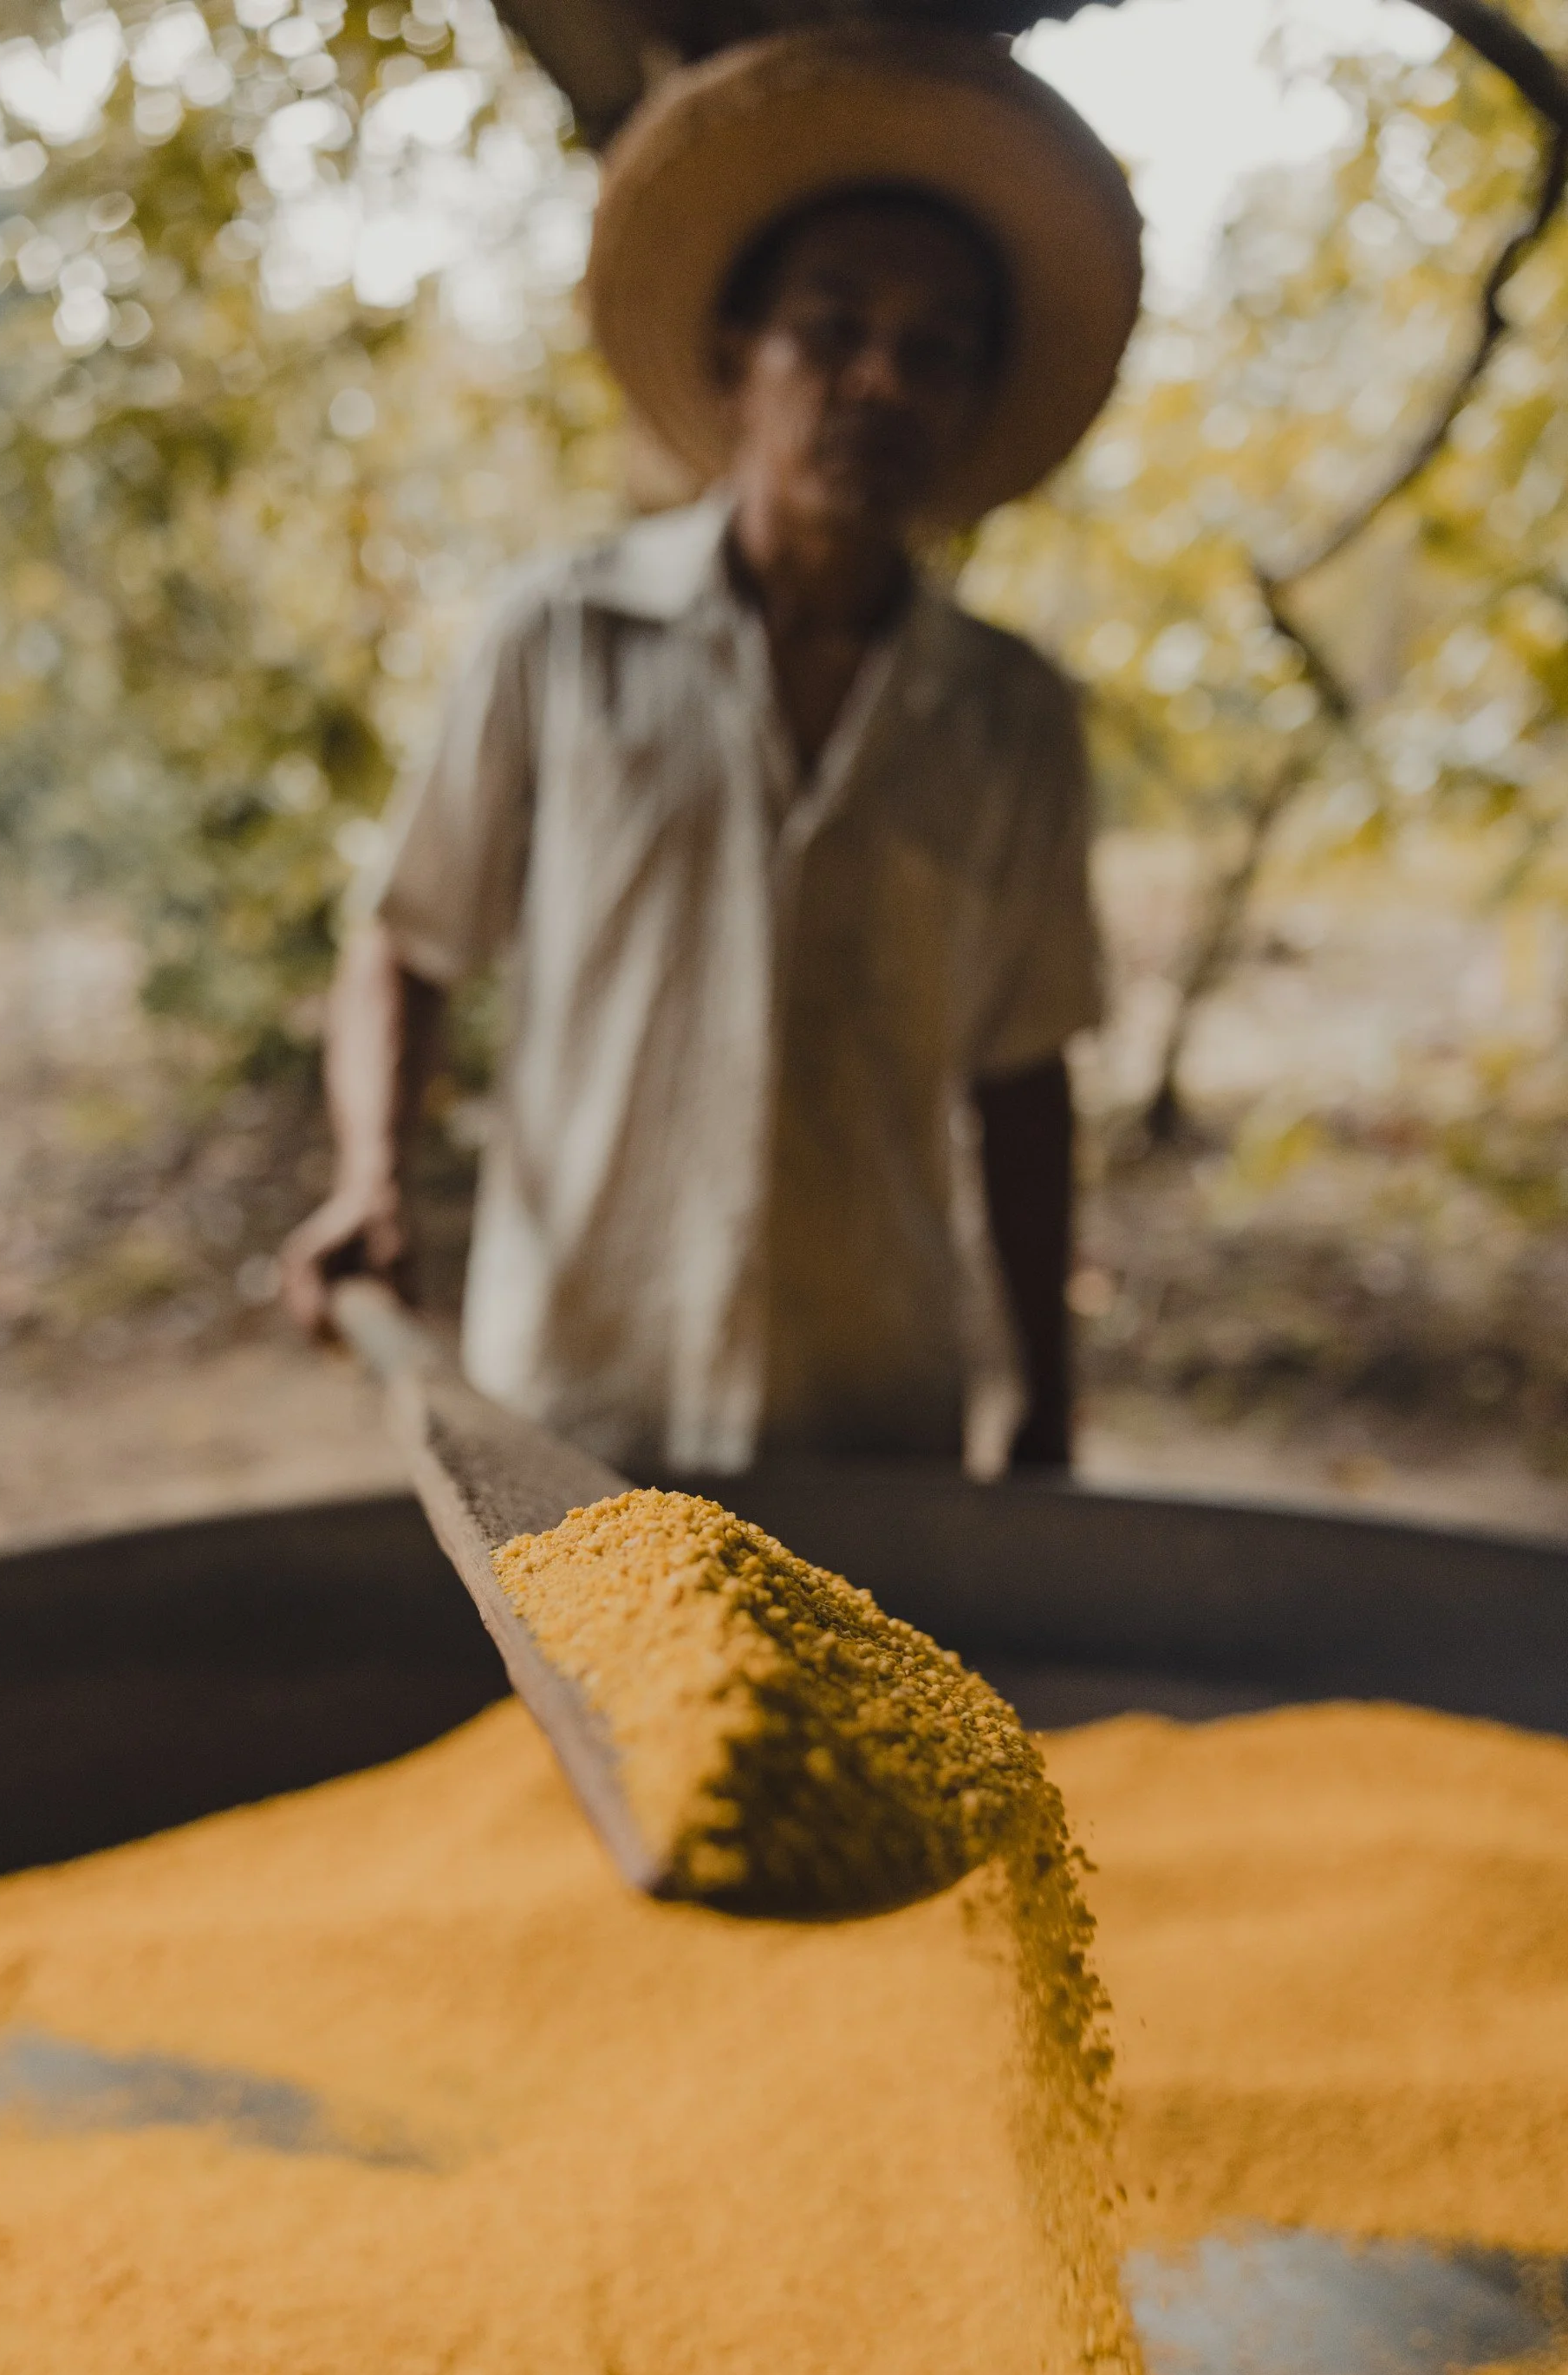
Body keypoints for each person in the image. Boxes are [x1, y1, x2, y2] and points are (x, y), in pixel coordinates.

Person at [283, 25, 1142, 1477]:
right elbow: (407, 941)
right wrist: (371, 1177)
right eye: (833, 329)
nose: (881, 381)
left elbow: (1022, 1073)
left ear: (971, 402)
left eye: (934, 351)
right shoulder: (562, 638)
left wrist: (1047, 1400)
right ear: (741, 357)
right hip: (580, 1392)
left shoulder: (1012, 715)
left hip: (874, 1408)